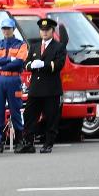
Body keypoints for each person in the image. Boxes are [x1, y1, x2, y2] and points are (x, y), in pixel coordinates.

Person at [24, 14, 67, 153]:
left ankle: (48, 143)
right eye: (42, 29)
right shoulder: (35, 46)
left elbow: (59, 64)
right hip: (35, 89)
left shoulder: (58, 47)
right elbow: (26, 64)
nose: (44, 32)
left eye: (47, 29)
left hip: (50, 89)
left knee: (51, 118)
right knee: (29, 116)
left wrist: (44, 64)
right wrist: (31, 65)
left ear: (52, 31)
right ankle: (29, 142)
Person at [0, 19, 28, 148]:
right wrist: (8, 60)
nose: (6, 31)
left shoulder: (21, 45)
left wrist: (2, 64)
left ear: (13, 29)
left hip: (13, 79)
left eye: (8, 28)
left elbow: (19, 62)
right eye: (4, 28)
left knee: (15, 110)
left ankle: (19, 141)